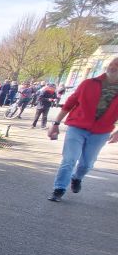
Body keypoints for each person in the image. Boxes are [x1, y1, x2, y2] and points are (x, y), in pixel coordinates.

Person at [47, 57, 118, 202]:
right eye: (111, 64)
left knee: (87, 164)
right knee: (69, 159)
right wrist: (56, 124)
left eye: (116, 66)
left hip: (101, 131)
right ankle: (59, 189)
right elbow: (70, 103)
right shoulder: (89, 84)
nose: (112, 67)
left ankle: (77, 178)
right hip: (78, 127)